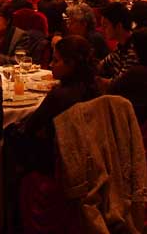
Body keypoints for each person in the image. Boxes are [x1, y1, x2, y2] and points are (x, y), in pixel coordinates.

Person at [7, 36, 99, 174]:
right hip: (86, 155)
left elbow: (29, 128)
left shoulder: (59, 96)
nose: (50, 64)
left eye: (56, 60)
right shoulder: (94, 87)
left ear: (71, 64)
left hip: (56, 159)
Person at [108, 27, 147, 125]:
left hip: (132, 120)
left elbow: (112, 90)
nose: (133, 50)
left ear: (142, 49)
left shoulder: (136, 73)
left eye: (134, 47)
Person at [97, 2, 138, 80]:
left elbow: (120, 83)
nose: (102, 30)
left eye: (105, 25)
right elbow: (102, 64)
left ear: (119, 26)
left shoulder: (133, 51)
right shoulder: (121, 46)